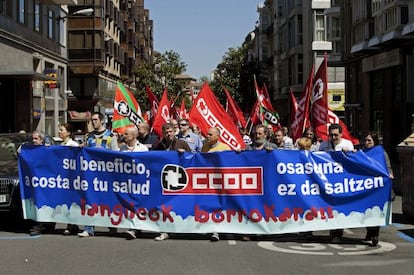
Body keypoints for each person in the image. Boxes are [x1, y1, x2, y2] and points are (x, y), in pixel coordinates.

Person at [78, 112, 119, 237]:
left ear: (101, 120)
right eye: (92, 120)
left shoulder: (111, 136)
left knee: (107, 200)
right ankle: (89, 227)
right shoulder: (88, 136)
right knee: (89, 199)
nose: (93, 122)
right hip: (91, 174)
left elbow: (115, 155)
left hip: (106, 174)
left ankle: (112, 226)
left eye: (95, 120)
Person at [153, 123, 191, 241]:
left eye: (170, 132)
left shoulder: (182, 143)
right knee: (165, 206)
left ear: (174, 132)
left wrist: (184, 153)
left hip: (180, 179)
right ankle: (165, 230)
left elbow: (192, 158)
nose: (168, 134)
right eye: (166, 132)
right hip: (165, 180)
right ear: (163, 134)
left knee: (180, 205)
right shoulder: (159, 145)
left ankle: (182, 228)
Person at [318, 123, 354, 243]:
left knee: (340, 207)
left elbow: (354, 160)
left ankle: (337, 232)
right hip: (328, 181)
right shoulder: (323, 145)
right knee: (331, 207)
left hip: (342, 182)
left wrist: (349, 152)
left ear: (341, 134)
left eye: (336, 135)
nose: (333, 137)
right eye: (331, 135)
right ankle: (334, 233)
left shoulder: (347, 144)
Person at [363, 131, 394, 246]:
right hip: (366, 187)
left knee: (376, 210)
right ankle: (369, 231)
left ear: (374, 142)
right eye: (365, 141)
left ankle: (375, 233)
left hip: (378, 187)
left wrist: (389, 174)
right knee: (366, 210)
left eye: (369, 141)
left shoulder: (381, 153)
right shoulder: (363, 153)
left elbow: (388, 166)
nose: (367, 143)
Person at [202, 127, 231, 241]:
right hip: (207, 182)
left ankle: (216, 231)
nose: (207, 136)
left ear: (217, 136)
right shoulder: (204, 147)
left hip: (220, 183)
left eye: (210, 134)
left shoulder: (225, 148)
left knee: (218, 206)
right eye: (207, 134)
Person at [120, 126, 149, 240]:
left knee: (138, 205)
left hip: (139, 183)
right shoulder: (122, 148)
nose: (124, 136)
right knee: (128, 206)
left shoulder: (142, 149)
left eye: (126, 134)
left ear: (134, 136)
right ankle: (133, 227)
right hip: (126, 183)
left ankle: (135, 228)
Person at [29, 130, 56, 236]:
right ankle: (40, 225)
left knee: (45, 203)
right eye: (32, 138)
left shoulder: (47, 150)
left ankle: (41, 226)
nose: (33, 141)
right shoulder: (30, 151)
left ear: (41, 140)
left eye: (36, 138)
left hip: (47, 182)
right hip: (35, 182)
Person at [58, 123, 81, 236]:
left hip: (72, 177)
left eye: (62, 130)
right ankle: (72, 224)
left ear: (68, 132)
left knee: (71, 201)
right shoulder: (61, 144)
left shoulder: (73, 145)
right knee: (66, 201)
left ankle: (71, 224)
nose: (59, 132)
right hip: (64, 177)